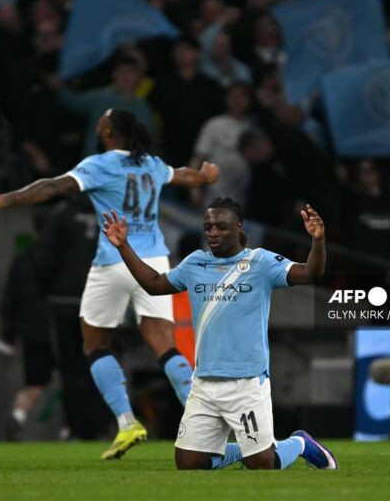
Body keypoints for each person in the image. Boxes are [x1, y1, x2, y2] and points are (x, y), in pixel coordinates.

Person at [0, 108, 220, 459]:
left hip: (114, 261)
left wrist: (8, 199)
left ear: (109, 133)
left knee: (93, 344)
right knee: (164, 345)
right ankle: (203, 423)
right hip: (153, 262)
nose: (97, 127)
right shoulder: (150, 164)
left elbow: (52, 186)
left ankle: (127, 423)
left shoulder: (99, 164)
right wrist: (203, 176)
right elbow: (181, 176)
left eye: (100, 124)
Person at [101, 198, 337, 470]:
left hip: (246, 381)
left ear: (238, 228)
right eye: (208, 226)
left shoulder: (260, 262)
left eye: (221, 227)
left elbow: (311, 273)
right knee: (189, 463)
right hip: (204, 382)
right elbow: (154, 284)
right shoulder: (195, 264)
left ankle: (300, 443)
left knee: (262, 464)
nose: (213, 232)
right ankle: (245, 452)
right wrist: (123, 247)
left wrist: (317, 242)